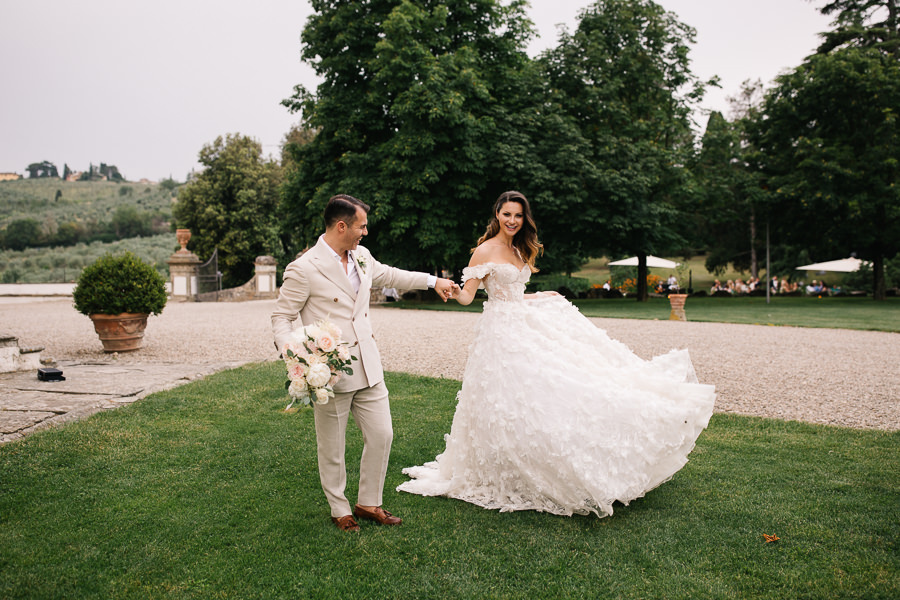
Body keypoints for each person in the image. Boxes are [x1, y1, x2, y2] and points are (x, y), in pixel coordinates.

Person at [397, 191, 716, 517]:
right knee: (507, 397)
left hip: (520, 323)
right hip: (499, 334)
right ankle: (506, 464)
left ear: (524, 219)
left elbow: (515, 296)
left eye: (518, 216)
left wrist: (542, 296)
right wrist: (449, 289)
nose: (512, 221)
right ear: (497, 214)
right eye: (507, 214)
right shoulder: (484, 251)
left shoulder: (519, 248)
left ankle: (543, 456)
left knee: (548, 387)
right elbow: (470, 297)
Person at [272, 194, 460, 532]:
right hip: (330, 374)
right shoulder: (304, 268)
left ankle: (368, 502)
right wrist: (297, 355)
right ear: (341, 226)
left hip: (368, 365)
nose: (366, 232)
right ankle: (339, 508)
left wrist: (434, 282)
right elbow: (282, 316)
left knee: (382, 435)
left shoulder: (362, 256)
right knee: (332, 447)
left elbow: (393, 276)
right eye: (362, 226)